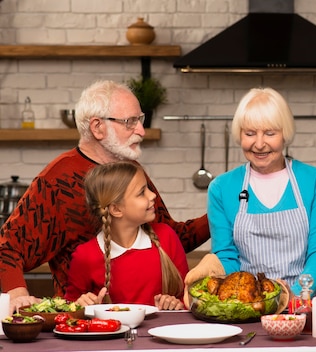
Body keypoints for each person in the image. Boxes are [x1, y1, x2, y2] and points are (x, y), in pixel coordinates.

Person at [0, 80, 209, 312]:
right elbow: (7, 248)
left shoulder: (130, 171)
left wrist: (223, 211)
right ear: (98, 127)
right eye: (130, 122)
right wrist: (19, 296)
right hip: (84, 320)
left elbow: (169, 237)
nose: (141, 130)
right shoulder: (57, 180)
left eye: (140, 120)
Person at [185, 87, 316, 296]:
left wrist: (296, 294)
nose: (259, 144)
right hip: (247, 303)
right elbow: (227, 255)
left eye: (270, 133)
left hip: (302, 305)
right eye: (250, 133)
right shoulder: (221, 189)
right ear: (240, 135)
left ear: (285, 134)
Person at [65, 161, 188, 310]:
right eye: (142, 192)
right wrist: (81, 304)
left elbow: (186, 298)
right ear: (116, 209)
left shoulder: (166, 236)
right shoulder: (85, 256)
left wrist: (176, 303)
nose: (153, 195)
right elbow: (69, 308)